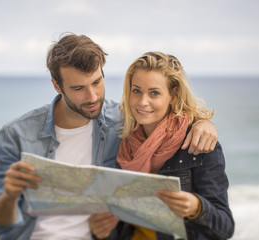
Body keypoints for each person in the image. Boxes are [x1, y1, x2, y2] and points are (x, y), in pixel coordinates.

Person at [0, 34, 219, 240]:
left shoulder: (122, 122)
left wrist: (202, 123)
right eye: (78, 88)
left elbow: (164, 118)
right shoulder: (16, 134)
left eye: (97, 82)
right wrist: (10, 195)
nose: (93, 96)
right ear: (57, 86)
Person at [89, 52, 234, 240]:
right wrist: (101, 232)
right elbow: (122, 227)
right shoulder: (122, 143)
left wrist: (197, 208)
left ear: (173, 95)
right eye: (136, 91)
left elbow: (225, 227)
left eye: (154, 93)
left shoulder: (198, 145)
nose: (142, 101)